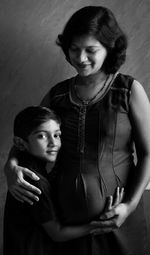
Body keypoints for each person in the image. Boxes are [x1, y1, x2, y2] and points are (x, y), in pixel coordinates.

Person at [4, 5, 150, 255]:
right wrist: (10, 167)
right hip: (65, 223)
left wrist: (129, 206)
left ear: (110, 48)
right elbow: (25, 141)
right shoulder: (58, 95)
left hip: (120, 222)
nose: (80, 58)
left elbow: (149, 154)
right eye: (74, 49)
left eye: (90, 50)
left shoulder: (128, 91)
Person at [4, 106, 123, 255]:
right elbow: (57, 233)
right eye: (42, 136)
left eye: (57, 135)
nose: (53, 143)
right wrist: (99, 225)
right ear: (20, 143)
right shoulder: (33, 181)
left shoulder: (29, 167)